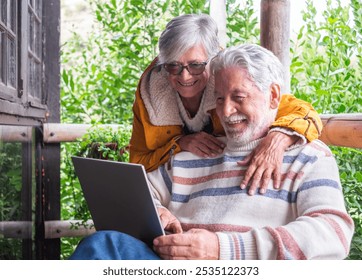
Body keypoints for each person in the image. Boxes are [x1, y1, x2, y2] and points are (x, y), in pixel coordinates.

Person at [70, 44, 353, 260]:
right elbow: (141, 190)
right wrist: (157, 212)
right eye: (219, 99)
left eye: (238, 98)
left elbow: (333, 234)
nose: (226, 111)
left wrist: (221, 249)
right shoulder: (193, 154)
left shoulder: (309, 157)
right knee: (100, 245)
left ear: (274, 96)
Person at [129, 13, 323, 195]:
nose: (184, 76)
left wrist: (277, 140)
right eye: (173, 65)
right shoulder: (150, 92)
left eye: (196, 65)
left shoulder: (229, 78)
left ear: (213, 59)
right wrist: (180, 144)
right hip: (175, 192)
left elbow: (305, 113)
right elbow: (138, 163)